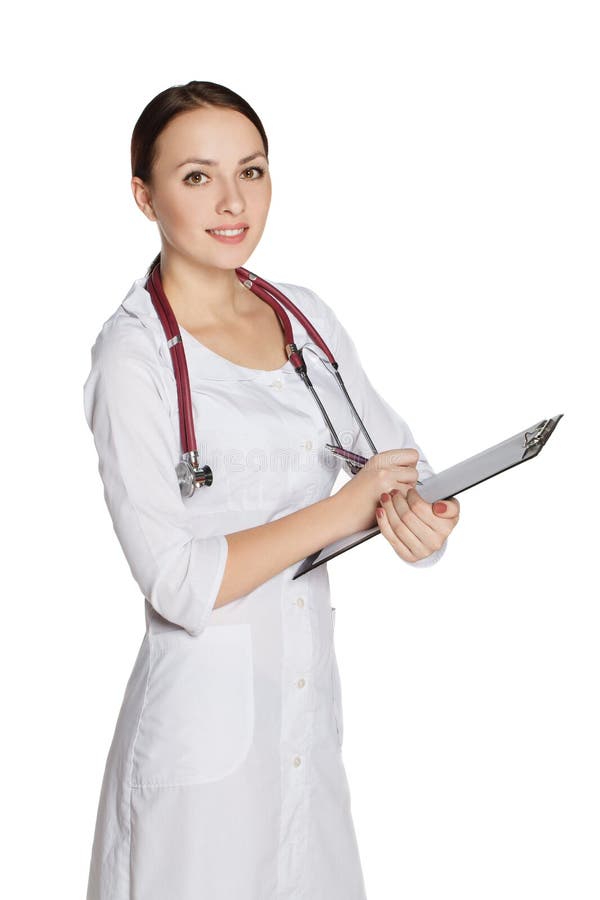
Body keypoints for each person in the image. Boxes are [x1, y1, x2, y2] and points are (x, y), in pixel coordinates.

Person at [83, 79, 460, 900]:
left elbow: (398, 467)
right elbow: (177, 581)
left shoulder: (307, 319)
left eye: (251, 172)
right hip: (199, 747)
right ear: (144, 196)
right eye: (197, 177)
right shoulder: (134, 359)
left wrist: (425, 518)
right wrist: (343, 508)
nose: (232, 201)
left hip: (305, 728)